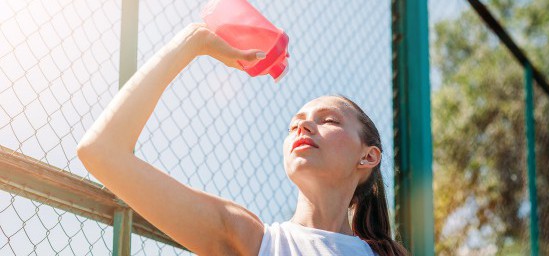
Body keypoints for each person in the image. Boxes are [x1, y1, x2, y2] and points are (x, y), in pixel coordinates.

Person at [76, 23, 409, 256]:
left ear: (368, 157)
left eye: (328, 120)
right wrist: (194, 41)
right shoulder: (253, 241)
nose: (304, 126)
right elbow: (101, 151)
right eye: (294, 125)